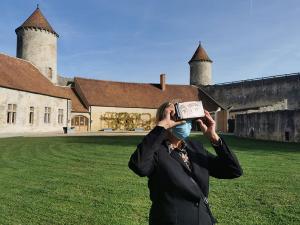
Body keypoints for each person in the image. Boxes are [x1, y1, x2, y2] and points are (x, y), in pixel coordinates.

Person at [128, 102, 243, 225]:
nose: (184, 122)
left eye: (187, 118)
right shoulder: (155, 151)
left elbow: (233, 170)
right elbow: (138, 166)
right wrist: (161, 127)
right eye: (178, 116)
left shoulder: (195, 147)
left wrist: (213, 137)